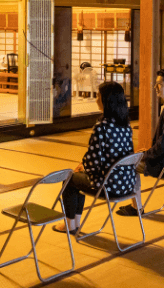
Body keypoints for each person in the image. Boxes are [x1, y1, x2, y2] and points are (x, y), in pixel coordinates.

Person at [53, 82, 135, 234]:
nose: (96, 99)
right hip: (127, 184)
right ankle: (74, 223)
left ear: (106, 100)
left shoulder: (101, 127)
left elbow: (92, 162)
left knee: (70, 179)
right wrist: (84, 166)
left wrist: (83, 166)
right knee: (78, 176)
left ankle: (70, 225)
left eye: (98, 96)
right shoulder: (125, 124)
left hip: (109, 186)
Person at [117, 66, 164, 216]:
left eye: (159, 85)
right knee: (136, 158)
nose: (155, 87)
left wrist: (144, 155)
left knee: (131, 164)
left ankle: (136, 207)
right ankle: (136, 205)